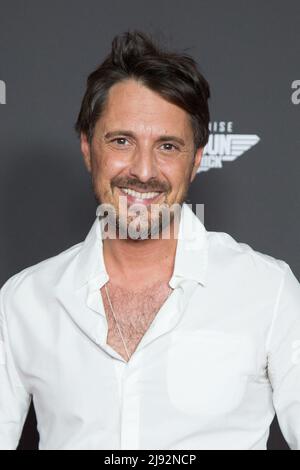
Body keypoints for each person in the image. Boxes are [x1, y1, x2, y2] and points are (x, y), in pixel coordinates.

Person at [0, 30, 299, 451]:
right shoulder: (23, 301)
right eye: (122, 141)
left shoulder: (269, 291)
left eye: (168, 146)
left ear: (196, 160)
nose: (143, 171)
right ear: (88, 147)